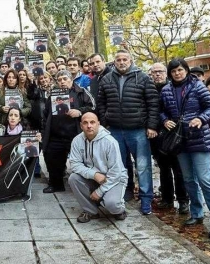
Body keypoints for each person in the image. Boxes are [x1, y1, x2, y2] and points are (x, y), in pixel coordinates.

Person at [160, 58, 210, 239]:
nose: (177, 73)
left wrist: (201, 118)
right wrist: (165, 120)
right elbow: (162, 110)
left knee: (205, 180)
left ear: (186, 70)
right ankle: (196, 213)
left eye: (180, 70)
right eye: (173, 71)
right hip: (179, 140)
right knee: (188, 179)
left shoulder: (198, 86)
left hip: (199, 139)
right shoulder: (166, 90)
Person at [98, 49, 159, 215]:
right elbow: (101, 103)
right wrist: (105, 124)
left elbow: (153, 102)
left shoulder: (143, 78)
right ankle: (126, 192)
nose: (121, 62)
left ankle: (146, 199)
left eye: (125, 59)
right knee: (120, 165)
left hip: (138, 130)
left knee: (143, 166)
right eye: (118, 60)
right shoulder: (107, 79)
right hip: (115, 130)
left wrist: (152, 126)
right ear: (114, 62)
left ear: (131, 60)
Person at [42, 70, 95, 193]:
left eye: (65, 79)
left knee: (83, 160)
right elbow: (45, 115)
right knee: (53, 159)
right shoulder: (53, 95)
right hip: (56, 135)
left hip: (76, 134)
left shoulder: (81, 92)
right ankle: (56, 185)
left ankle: (85, 186)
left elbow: (93, 107)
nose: (62, 82)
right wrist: (44, 132)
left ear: (71, 80)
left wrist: (79, 111)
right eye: (59, 80)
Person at [69, 112, 128, 222]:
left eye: (92, 122)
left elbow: (116, 172)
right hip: (93, 177)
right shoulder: (77, 140)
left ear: (98, 124)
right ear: (81, 125)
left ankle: (119, 210)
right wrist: (94, 174)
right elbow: (75, 164)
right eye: (85, 123)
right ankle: (91, 211)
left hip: (113, 179)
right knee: (73, 178)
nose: (89, 126)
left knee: (112, 205)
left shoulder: (110, 142)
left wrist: (100, 192)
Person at [150, 63, 189, 214]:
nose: (157, 74)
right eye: (154, 72)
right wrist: (163, 120)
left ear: (166, 73)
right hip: (157, 136)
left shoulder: (173, 87)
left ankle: (183, 200)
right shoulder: (150, 89)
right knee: (164, 169)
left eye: (160, 71)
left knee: (179, 169)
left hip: (175, 134)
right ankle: (167, 199)